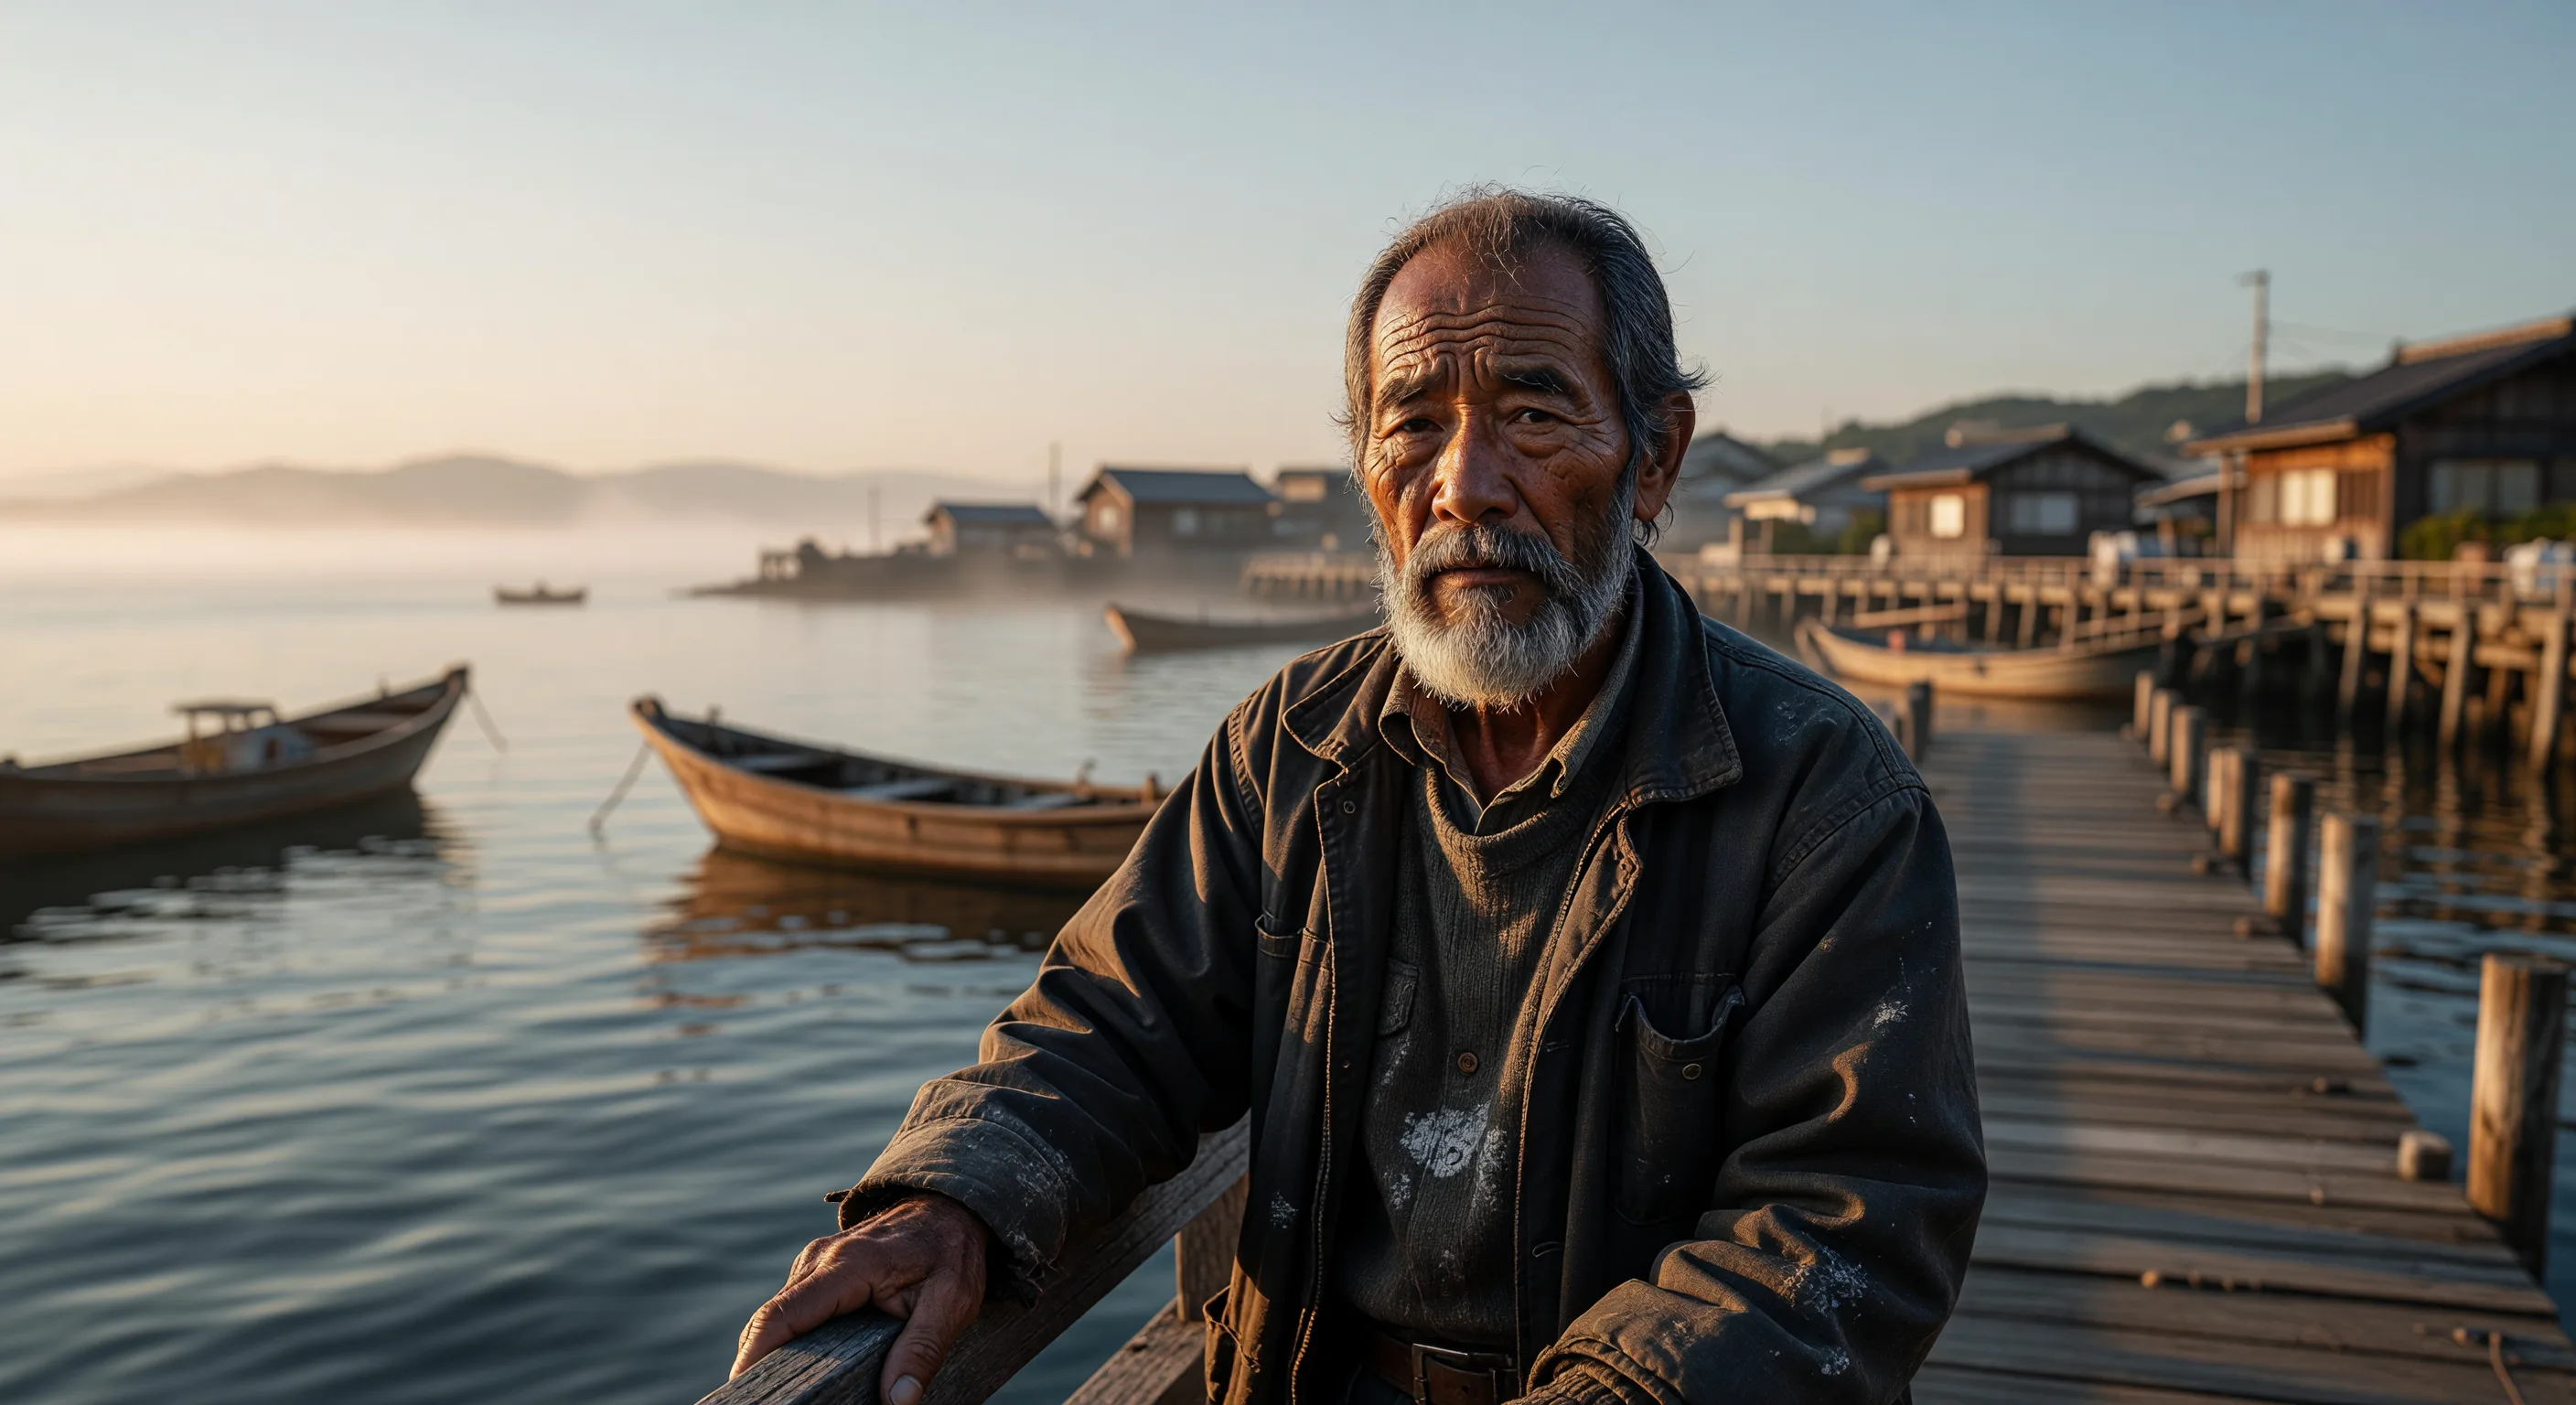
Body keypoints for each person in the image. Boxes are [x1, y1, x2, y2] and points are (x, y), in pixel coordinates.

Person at [731, 188, 1985, 1405]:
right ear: (1366, 468)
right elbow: (1111, 1024)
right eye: (1413, 425)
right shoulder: (1287, 752)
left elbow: (1845, 1221)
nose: (1465, 485)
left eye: (1535, 418)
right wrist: (952, 1196)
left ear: (1654, 458)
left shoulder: (1821, 796)